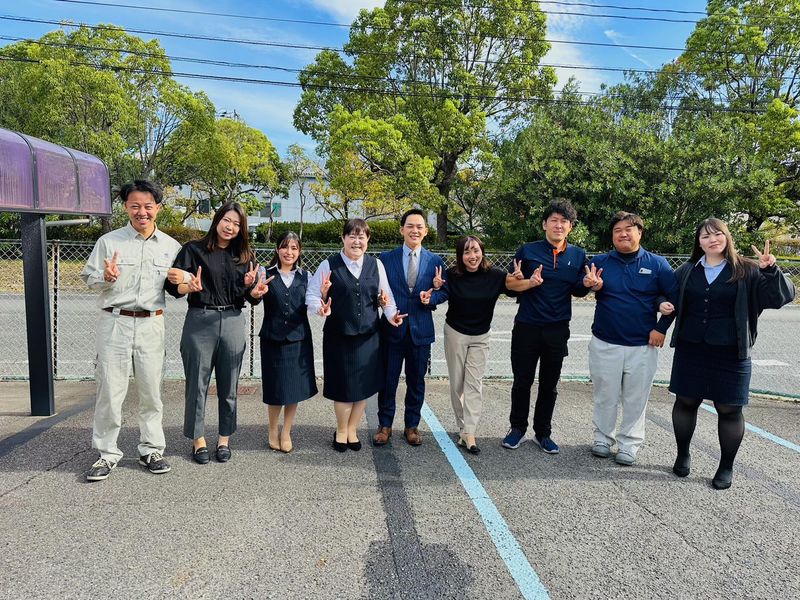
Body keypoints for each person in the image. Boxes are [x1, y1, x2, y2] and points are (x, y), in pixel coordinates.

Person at [661, 218, 795, 489]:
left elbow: (781, 297)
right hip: (691, 348)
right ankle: (683, 454)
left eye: (717, 234)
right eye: (705, 236)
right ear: (699, 243)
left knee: (730, 409)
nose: (712, 240)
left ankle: (726, 466)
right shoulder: (687, 270)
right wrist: (661, 309)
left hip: (732, 352)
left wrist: (771, 270)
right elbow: (668, 297)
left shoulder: (748, 269)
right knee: (686, 402)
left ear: (727, 237)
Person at [80, 180, 181, 481]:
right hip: (115, 322)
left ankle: (151, 449)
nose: (142, 212)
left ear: (158, 208)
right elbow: (89, 278)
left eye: (148, 206)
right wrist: (105, 276)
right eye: (135, 206)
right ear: (125, 207)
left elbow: (179, 284)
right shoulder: (108, 242)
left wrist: (189, 284)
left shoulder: (171, 246)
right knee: (110, 391)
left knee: (151, 391)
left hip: (152, 322)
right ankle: (106, 453)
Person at [165, 202, 269, 465]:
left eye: (237, 224)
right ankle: (198, 439)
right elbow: (172, 287)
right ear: (217, 219)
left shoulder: (245, 256)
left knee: (229, 384)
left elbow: (250, 296)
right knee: (197, 384)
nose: (230, 227)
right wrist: (188, 286)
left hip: (233, 319)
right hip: (200, 320)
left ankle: (224, 438)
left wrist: (254, 291)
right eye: (227, 220)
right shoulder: (193, 249)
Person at [502, 199, 594, 454]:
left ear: (570, 227)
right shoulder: (527, 251)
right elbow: (510, 286)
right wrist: (523, 281)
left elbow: (577, 289)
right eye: (554, 220)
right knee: (522, 381)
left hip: (557, 329)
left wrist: (587, 284)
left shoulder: (578, 255)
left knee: (549, 385)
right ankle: (517, 428)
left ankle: (543, 432)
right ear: (544, 224)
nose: (559, 225)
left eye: (564, 221)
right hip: (527, 326)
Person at [586, 212, 677, 465]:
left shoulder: (658, 264)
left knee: (636, 398)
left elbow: (674, 297)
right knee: (605, 394)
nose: (623, 234)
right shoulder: (600, 261)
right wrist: (591, 285)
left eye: (628, 229)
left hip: (642, 345)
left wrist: (661, 328)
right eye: (617, 230)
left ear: (640, 232)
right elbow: (583, 286)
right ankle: (602, 438)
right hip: (605, 341)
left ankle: (629, 444)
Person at [306, 218, 405, 452]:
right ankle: (341, 430)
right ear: (343, 238)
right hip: (338, 336)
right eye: (352, 236)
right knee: (342, 387)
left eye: (361, 237)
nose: (356, 241)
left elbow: (386, 296)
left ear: (368, 240)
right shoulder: (329, 265)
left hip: (369, 337)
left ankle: (352, 430)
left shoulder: (375, 265)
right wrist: (320, 307)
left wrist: (392, 315)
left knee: (363, 386)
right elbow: (311, 295)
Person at [374, 208, 446, 447]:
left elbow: (445, 291)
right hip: (392, 330)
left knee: (416, 382)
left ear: (426, 231)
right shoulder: (385, 259)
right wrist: (380, 301)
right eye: (410, 226)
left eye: (419, 227)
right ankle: (385, 425)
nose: (415, 230)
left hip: (420, 331)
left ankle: (412, 426)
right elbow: (377, 290)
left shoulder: (435, 261)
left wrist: (432, 297)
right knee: (387, 381)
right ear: (401, 229)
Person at [430, 235, 508, 454]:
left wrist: (524, 279)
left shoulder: (495, 275)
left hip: (481, 336)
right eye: (466, 252)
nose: (472, 256)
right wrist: (435, 288)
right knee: (457, 383)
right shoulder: (451, 275)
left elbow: (514, 286)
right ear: (460, 256)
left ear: (482, 252)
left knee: (474, 383)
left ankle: (469, 432)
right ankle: (462, 426)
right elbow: (440, 293)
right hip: (456, 333)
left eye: (476, 250)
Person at [258, 231, 317, 453]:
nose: (289, 252)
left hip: (298, 339)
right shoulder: (265, 273)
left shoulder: (307, 276)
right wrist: (254, 291)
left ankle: (286, 431)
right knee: (275, 388)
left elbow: (313, 303)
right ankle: (273, 429)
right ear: (277, 249)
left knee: (293, 389)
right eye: (284, 247)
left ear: (299, 251)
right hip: (272, 338)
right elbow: (253, 296)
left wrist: (322, 301)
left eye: (294, 248)